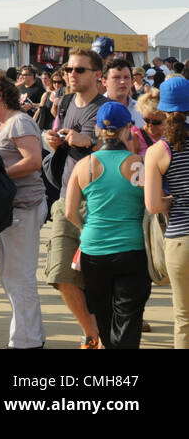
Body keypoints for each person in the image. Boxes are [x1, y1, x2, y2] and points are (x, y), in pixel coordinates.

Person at [66, 102, 149, 349]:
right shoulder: (137, 164)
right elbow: (151, 204)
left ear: (99, 130)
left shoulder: (85, 165)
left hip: (94, 250)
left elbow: (70, 212)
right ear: (127, 129)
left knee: (103, 316)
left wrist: (87, 229)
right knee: (128, 318)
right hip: (132, 248)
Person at [42, 47, 107, 349]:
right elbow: (58, 135)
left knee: (99, 279)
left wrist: (91, 141)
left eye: (79, 70)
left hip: (99, 203)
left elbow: (118, 149)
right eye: (68, 69)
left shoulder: (104, 108)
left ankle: (100, 334)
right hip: (66, 198)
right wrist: (52, 139)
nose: (71, 74)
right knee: (60, 272)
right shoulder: (65, 102)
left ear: (97, 75)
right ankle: (91, 332)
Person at [0, 72, 47, 350]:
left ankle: (26, 341)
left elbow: (34, 160)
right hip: (14, 209)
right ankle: (28, 336)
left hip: (24, 207)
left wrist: (0, 176)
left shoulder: (18, 122)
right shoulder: (5, 124)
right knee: (12, 277)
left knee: (19, 277)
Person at [143, 75, 189, 348]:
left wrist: (175, 201)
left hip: (180, 238)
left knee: (183, 318)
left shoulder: (159, 151)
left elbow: (153, 205)